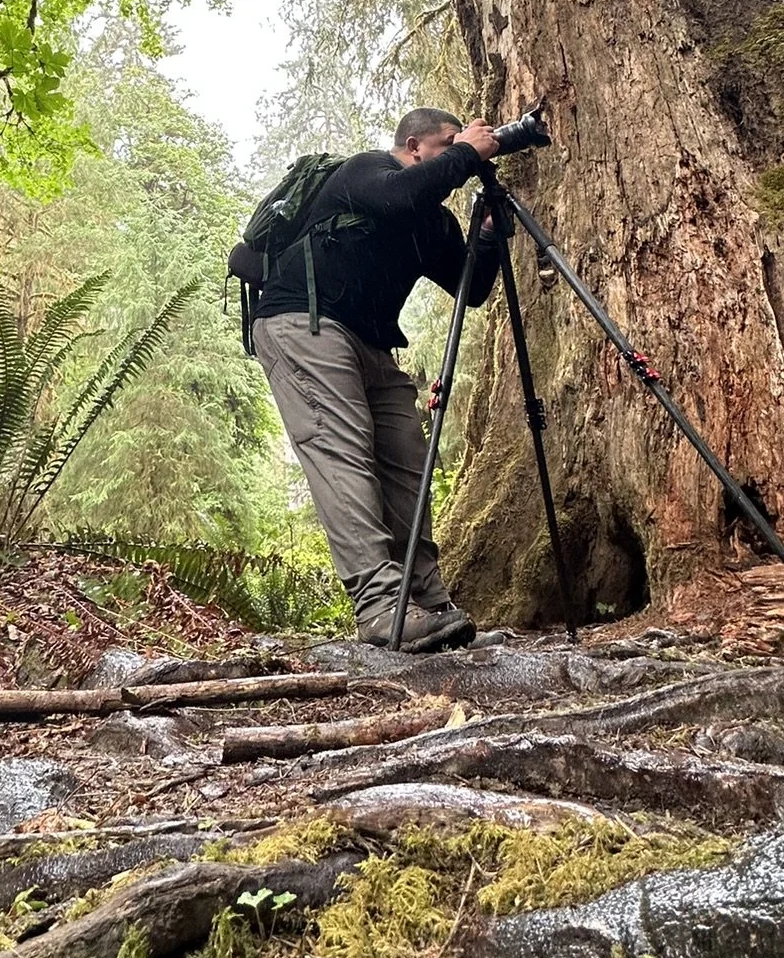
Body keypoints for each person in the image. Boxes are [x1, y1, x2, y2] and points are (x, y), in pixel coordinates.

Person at [232, 105, 548, 652]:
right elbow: (400, 195)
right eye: (448, 143)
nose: (460, 152)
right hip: (303, 322)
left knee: (406, 458)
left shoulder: (432, 219)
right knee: (343, 453)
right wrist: (469, 151)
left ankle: (428, 605)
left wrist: (492, 236)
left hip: (371, 344)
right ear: (414, 146)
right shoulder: (365, 171)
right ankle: (382, 609)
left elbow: (470, 290)